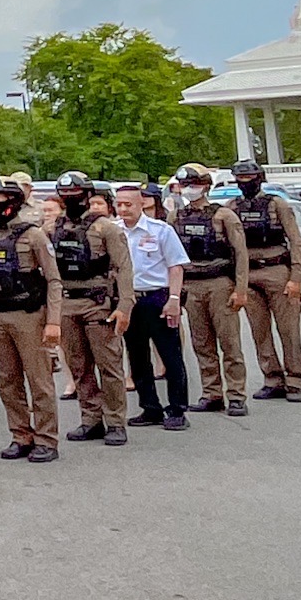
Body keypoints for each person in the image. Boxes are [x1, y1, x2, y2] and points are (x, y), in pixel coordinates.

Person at [0, 176, 62, 462]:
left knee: (39, 380)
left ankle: (46, 439)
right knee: (7, 380)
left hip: (29, 315)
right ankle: (20, 435)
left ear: (12, 201)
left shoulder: (33, 235)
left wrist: (53, 321)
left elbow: (53, 280)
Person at [47, 173, 134, 446]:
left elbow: (123, 268)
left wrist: (125, 306)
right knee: (79, 366)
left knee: (109, 365)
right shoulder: (52, 228)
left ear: (87, 195)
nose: (71, 199)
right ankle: (91, 419)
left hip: (98, 303)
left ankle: (115, 422)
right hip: (66, 302)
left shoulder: (106, 228)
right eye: (65, 195)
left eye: (75, 194)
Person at [170, 163, 251, 417]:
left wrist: (241, 289)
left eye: (193, 185)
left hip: (219, 284)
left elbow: (241, 254)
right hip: (192, 286)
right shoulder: (175, 217)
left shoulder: (224, 216)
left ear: (206, 186)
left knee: (229, 342)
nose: (189, 189)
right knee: (201, 343)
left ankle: (236, 395)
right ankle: (211, 393)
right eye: (185, 185)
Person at [230, 158, 301, 402]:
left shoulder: (277, 205)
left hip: (277, 270)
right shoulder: (232, 207)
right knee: (259, 331)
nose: (245, 182)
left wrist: (296, 277)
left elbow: (296, 241)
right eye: (240, 178)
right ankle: (272, 378)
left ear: (259, 178)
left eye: (249, 177)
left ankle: (295, 379)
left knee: (289, 330)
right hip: (248, 274)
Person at [120, 182, 191, 429]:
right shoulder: (114, 231)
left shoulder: (160, 230)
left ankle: (177, 409)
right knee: (137, 356)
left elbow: (176, 266)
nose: (123, 209)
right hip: (130, 299)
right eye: (119, 205)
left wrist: (174, 299)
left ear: (141, 203)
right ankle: (150, 407)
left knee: (170, 355)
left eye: (128, 204)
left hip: (157, 297)